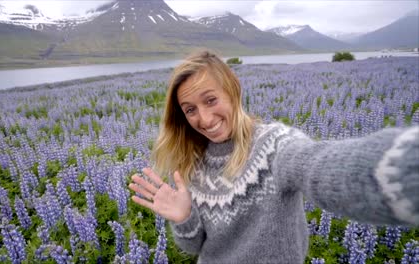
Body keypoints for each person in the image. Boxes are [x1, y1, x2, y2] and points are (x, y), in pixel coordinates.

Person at [128, 50, 419, 263]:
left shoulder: (274, 145)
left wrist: (400, 170)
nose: (204, 118)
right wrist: (185, 217)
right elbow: (195, 247)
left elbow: (319, 165)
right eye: (190, 109)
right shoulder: (192, 162)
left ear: (233, 91)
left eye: (211, 100)